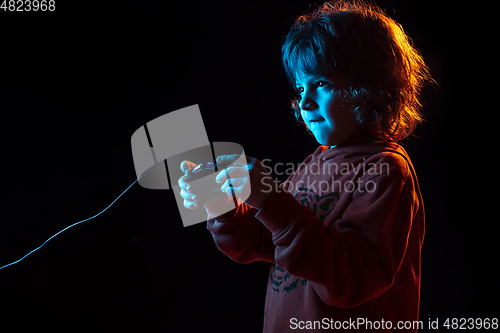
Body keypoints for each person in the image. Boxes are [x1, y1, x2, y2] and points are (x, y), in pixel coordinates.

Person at [178, 0, 433, 331]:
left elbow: (351, 279)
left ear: (372, 88)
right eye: (300, 88)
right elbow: (267, 243)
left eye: (322, 84)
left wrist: (270, 200)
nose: (305, 102)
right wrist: (221, 202)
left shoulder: (386, 171)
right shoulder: (316, 162)